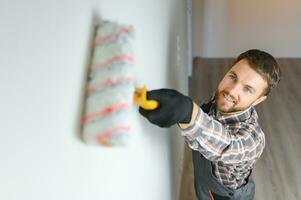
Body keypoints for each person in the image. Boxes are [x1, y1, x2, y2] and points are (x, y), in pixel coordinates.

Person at [138, 49, 281, 200]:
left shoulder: (253, 139)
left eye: (248, 89)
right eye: (232, 77)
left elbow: (226, 146)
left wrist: (188, 113)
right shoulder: (220, 102)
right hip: (204, 186)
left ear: (258, 100)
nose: (232, 91)